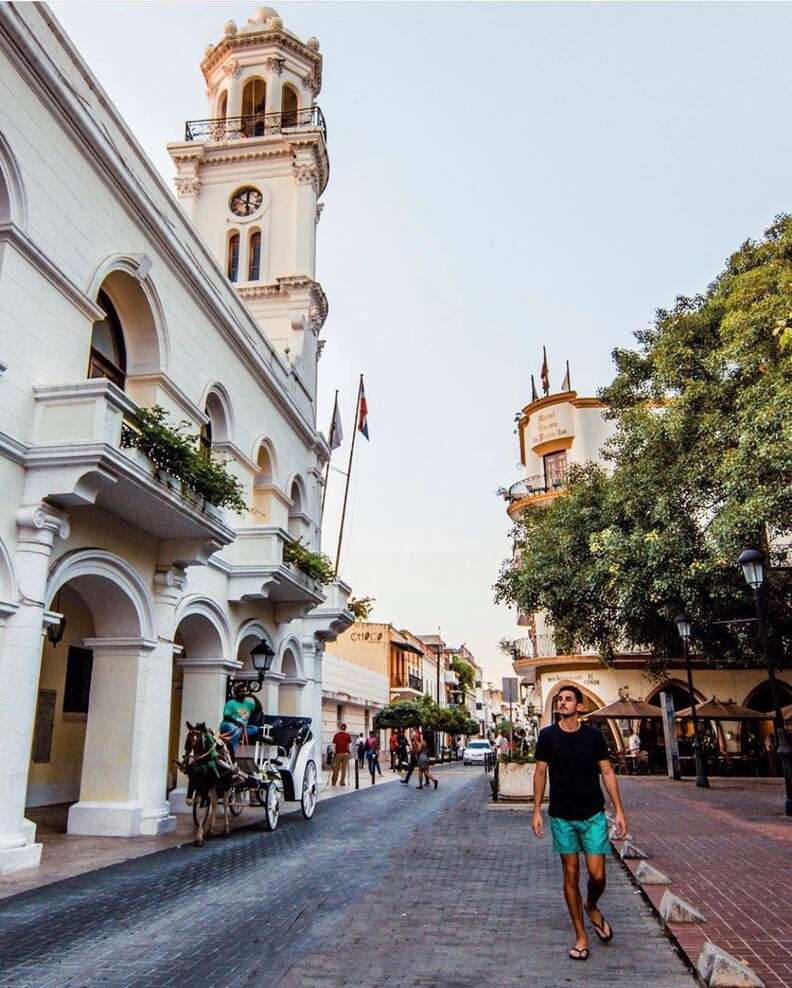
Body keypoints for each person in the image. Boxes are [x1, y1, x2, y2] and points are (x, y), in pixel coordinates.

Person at [532, 685, 628, 962]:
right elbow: (540, 774)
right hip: (562, 816)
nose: (562, 702)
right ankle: (581, 936)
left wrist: (619, 811)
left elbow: (607, 772)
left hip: (593, 814)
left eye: (568, 699)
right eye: (560, 699)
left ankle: (592, 904)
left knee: (598, 875)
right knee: (570, 874)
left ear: (580, 706)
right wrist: (536, 810)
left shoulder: (594, 736)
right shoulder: (547, 736)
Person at [219, 682, 265, 753]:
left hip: (242, 728)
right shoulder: (230, 703)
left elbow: (259, 709)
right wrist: (237, 723)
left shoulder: (248, 704)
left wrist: (254, 697)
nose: (243, 693)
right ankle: (236, 753)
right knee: (234, 729)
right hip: (229, 725)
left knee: (255, 729)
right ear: (235, 693)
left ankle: (234, 738)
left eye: (244, 691)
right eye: (240, 691)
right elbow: (226, 716)